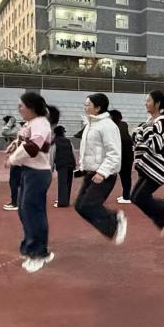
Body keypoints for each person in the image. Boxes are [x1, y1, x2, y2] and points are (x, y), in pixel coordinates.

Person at [7, 92, 54, 272]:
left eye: (21, 105)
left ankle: (39, 253)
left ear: (31, 107)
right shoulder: (31, 124)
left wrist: (12, 159)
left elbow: (33, 148)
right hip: (28, 172)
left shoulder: (41, 123)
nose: (18, 109)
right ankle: (31, 246)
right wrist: (15, 144)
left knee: (32, 212)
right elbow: (25, 140)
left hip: (38, 173)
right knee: (25, 211)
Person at [74, 93, 126, 244]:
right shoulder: (91, 125)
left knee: (88, 205)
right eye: (85, 105)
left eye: (88, 105)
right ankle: (112, 227)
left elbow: (114, 153)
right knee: (79, 206)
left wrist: (102, 173)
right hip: (91, 173)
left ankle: (115, 219)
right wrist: (82, 167)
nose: (85, 107)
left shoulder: (108, 126)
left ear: (98, 108)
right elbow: (88, 150)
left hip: (104, 175)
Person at [129, 91, 164, 233]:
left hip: (159, 167)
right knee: (134, 197)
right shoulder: (151, 121)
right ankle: (162, 218)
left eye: (149, 101)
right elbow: (141, 140)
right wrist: (138, 133)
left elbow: (156, 146)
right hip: (148, 165)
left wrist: (143, 130)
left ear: (157, 104)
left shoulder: (162, 121)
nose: (146, 104)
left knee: (140, 197)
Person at [109, 109, 135, 204]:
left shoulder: (116, 127)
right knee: (125, 176)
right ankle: (126, 195)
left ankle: (126, 197)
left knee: (125, 176)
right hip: (127, 154)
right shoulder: (123, 124)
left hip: (123, 155)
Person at [52, 118, 75, 208]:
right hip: (70, 164)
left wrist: (51, 166)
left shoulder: (54, 142)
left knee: (62, 183)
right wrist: (75, 164)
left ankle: (62, 202)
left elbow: (53, 154)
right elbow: (72, 152)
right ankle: (66, 200)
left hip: (61, 164)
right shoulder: (68, 141)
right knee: (68, 183)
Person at [2, 115, 21, 211]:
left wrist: (10, 122)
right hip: (17, 158)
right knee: (17, 181)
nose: (4, 125)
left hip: (18, 159)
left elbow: (4, 132)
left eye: (5, 123)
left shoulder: (16, 130)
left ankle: (15, 203)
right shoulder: (17, 129)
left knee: (14, 181)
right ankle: (17, 201)